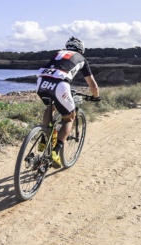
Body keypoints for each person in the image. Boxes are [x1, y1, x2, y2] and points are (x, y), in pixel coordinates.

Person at [36, 36, 100, 168]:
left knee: (51, 106)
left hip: (41, 82)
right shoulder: (81, 58)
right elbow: (92, 85)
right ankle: (55, 152)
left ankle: (44, 137)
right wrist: (96, 96)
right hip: (60, 84)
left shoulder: (58, 53)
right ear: (81, 49)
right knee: (69, 118)